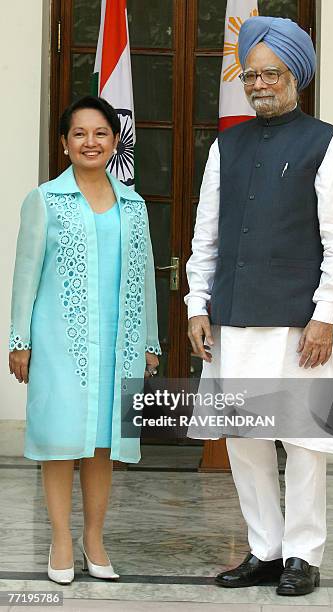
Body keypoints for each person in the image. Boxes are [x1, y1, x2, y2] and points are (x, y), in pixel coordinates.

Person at [185, 17, 333, 597]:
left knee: (305, 439)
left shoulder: (329, 143)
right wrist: (195, 303)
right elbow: (204, 236)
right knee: (244, 440)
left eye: (273, 73)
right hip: (232, 319)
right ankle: (263, 549)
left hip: (296, 323)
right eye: (252, 74)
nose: (260, 84)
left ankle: (303, 556)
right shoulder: (225, 145)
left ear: (297, 76)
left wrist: (325, 315)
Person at [9, 95, 160, 585]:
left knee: (103, 444)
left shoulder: (134, 206)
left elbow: (142, 279)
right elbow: (25, 276)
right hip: (59, 344)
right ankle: (59, 539)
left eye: (100, 133)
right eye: (79, 134)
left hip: (119, 342)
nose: (90, 142)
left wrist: (150, 343)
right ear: (64, 143)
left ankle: (94, 539)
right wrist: (19, 340)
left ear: (114, 141)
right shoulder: (45, 201)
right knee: (59, 443)